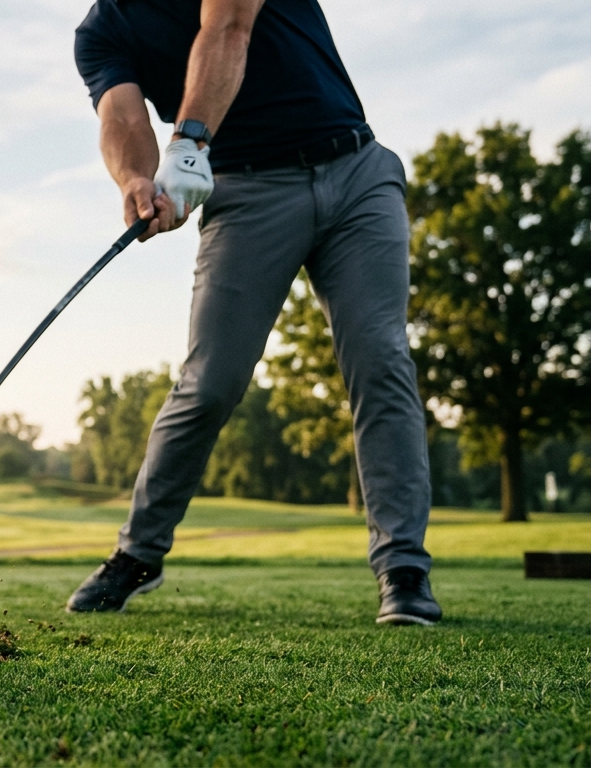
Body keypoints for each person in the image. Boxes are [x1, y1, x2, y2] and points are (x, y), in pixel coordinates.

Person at [66, 0, 440, 625]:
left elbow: (227, 26)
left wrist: (187, 142)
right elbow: (122, 115)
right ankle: (138, 553)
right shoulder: (104, 30)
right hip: (245, 193)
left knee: (380, 360)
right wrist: (135, 179)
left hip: (356, 171)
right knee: (209, 383)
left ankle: (403, 569)